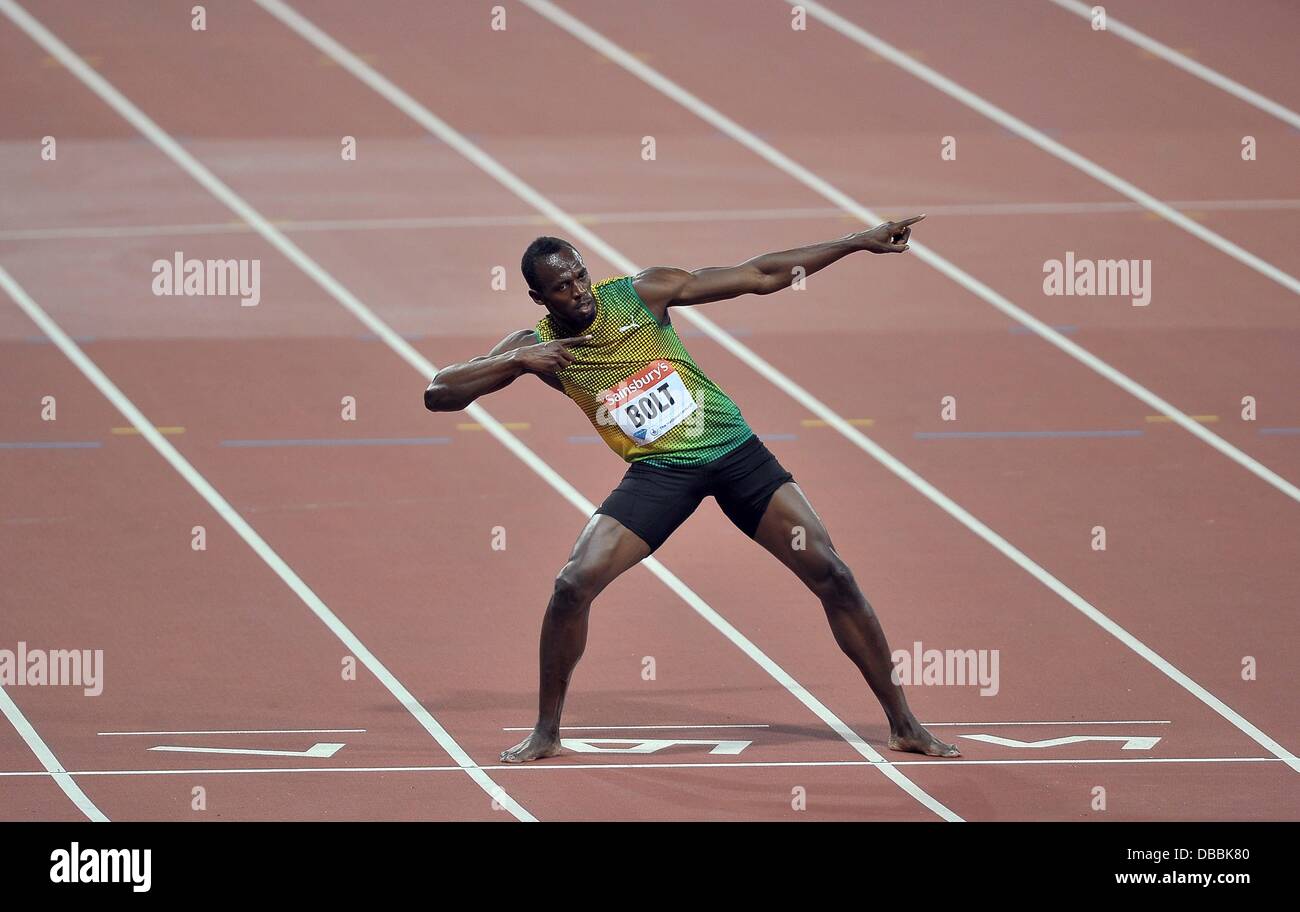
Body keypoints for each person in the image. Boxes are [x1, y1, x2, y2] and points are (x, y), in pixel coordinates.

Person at [424, 216, 960, 762]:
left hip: (734, 454)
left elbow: (762, 274)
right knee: (571, 586)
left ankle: (905, 724)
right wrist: (514, 362)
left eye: (581, 276)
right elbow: (438, 392)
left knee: (834, 574)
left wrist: (854, 243)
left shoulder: (643, 293)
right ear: (539, 296)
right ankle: (546, 732)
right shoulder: (533, 346)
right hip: (661, 474)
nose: (578, 292)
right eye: (562, 287)